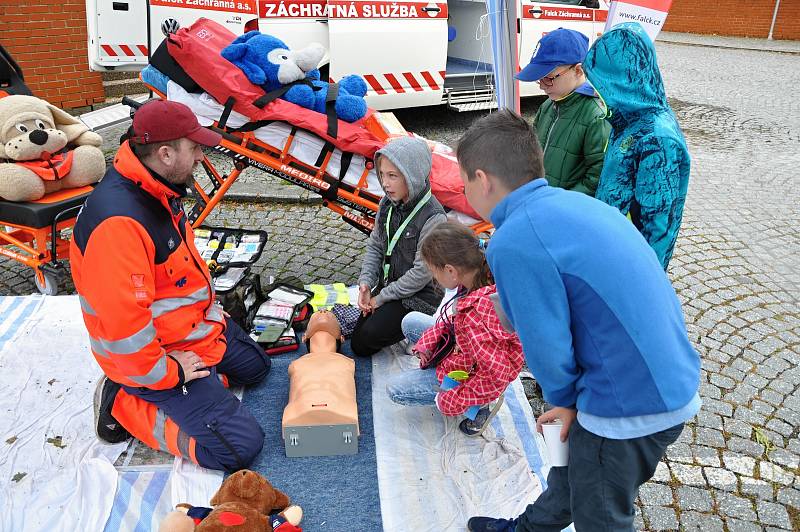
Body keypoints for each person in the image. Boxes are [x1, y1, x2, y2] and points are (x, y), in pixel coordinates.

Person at [455, 110, 700, 532]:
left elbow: (545, 343)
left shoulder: (514, 238)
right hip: (669, 378)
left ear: (483, 179)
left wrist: (564, 401)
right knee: (574, 475)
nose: (463, 192)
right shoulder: (570, 204)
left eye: (463, 182)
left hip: (625, 404)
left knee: (599, 514)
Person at [70, 100, 270, 472]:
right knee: (240, 449)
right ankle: (122, 403)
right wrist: (169, 372)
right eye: (193, 148)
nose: (200, 157)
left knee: (258, 369)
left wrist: (211, 317)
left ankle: (203, 386)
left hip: (193, 331)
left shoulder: (159, 187)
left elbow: (181, 275)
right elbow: (124, 330)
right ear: (164, 153)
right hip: (152, 357)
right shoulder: (120, 225)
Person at [385, 221, 524, 436]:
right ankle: (452, 374)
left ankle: (480, 406)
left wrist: (451, 401)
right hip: (466, 350)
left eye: (434, 272)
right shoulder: (478, 275)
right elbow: (454, 324)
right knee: (410, 320)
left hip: (477, 372)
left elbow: (497, 375)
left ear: (450, 271)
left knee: (396, 390)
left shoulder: (477, 318)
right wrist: (431, 340)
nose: (434, 279)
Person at [583, 22, 691, 270]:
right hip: (611, 249)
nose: (596, 90)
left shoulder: (657, 138)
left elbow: (657, 227)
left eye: (600, 82)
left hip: (628, 264)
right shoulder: (629, 119)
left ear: (622, 79)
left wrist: (643, 279)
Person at [351, 136, 447, 356]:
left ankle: (423, 331)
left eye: (392, 176)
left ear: (412, 176)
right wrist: (366, 283)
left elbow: (421, 274)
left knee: (365, 340)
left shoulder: (433, 217)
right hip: (392, 286)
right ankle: (402, 327)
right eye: (382, 174)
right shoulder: (387, 204)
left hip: (420, 296)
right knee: (359, 339)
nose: (385, 183)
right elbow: (376, 245)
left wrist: (381, 298)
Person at [516, 28, 610, 197]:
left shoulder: (596, 116)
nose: (543, 86)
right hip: (542, 200)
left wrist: (559, 202)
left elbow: (597, 179)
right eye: (539, 78)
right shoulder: (547, 106)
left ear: (578, 70)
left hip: (566, 210)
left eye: (549, 78)